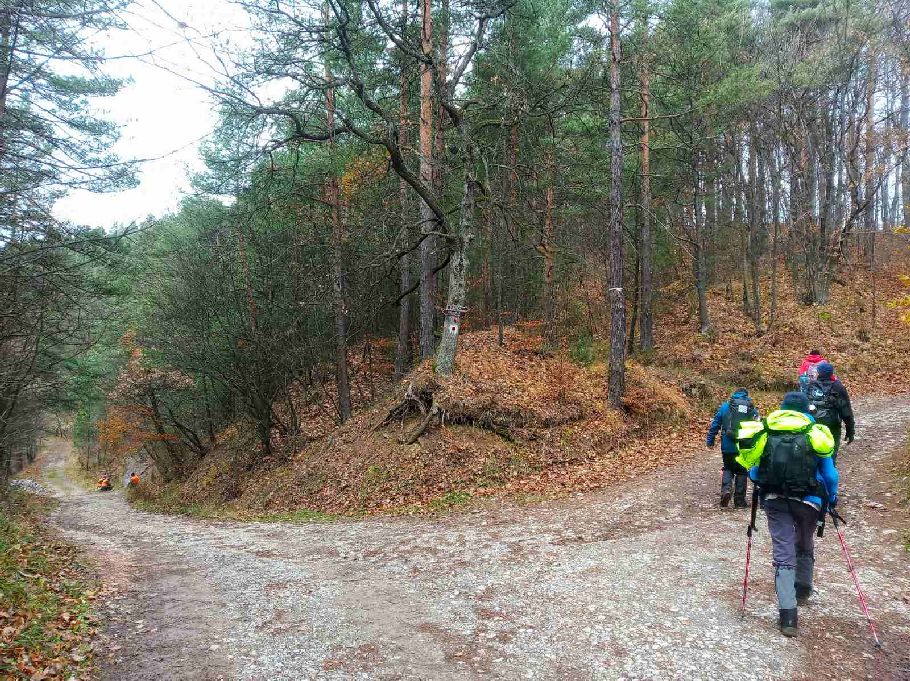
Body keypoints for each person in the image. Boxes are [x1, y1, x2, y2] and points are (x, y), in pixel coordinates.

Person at [736, 391, 838, 638]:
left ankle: (788, 616)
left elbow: (754, 472)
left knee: (783, 551)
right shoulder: (816, 433)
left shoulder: (767, 431)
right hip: (810, 499)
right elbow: (830, 475)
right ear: (806, 411)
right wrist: (832, 498)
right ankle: (803, 587)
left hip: (775, 499)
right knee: (804, 539)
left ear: (783, 409)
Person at [707, 388, 760, 508]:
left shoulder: (725, 406)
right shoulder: (751, 408)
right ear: (746, 395)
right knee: (742, 471)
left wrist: (710, 440)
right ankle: (739, 500)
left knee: (728, 468)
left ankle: (726, 491)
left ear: (733, 394)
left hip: (727, 445)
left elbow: (715, 424)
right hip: (744, 446)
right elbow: (757, 427)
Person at [805, 361, 855, 459]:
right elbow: (846, 411)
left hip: (813, 425)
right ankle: (829, 467)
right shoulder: (838, 386)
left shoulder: (811, 385)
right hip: (832, 426)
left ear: (819, 373)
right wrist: (850, 431)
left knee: (813, 455)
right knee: (830, 454)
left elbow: (805, 405)